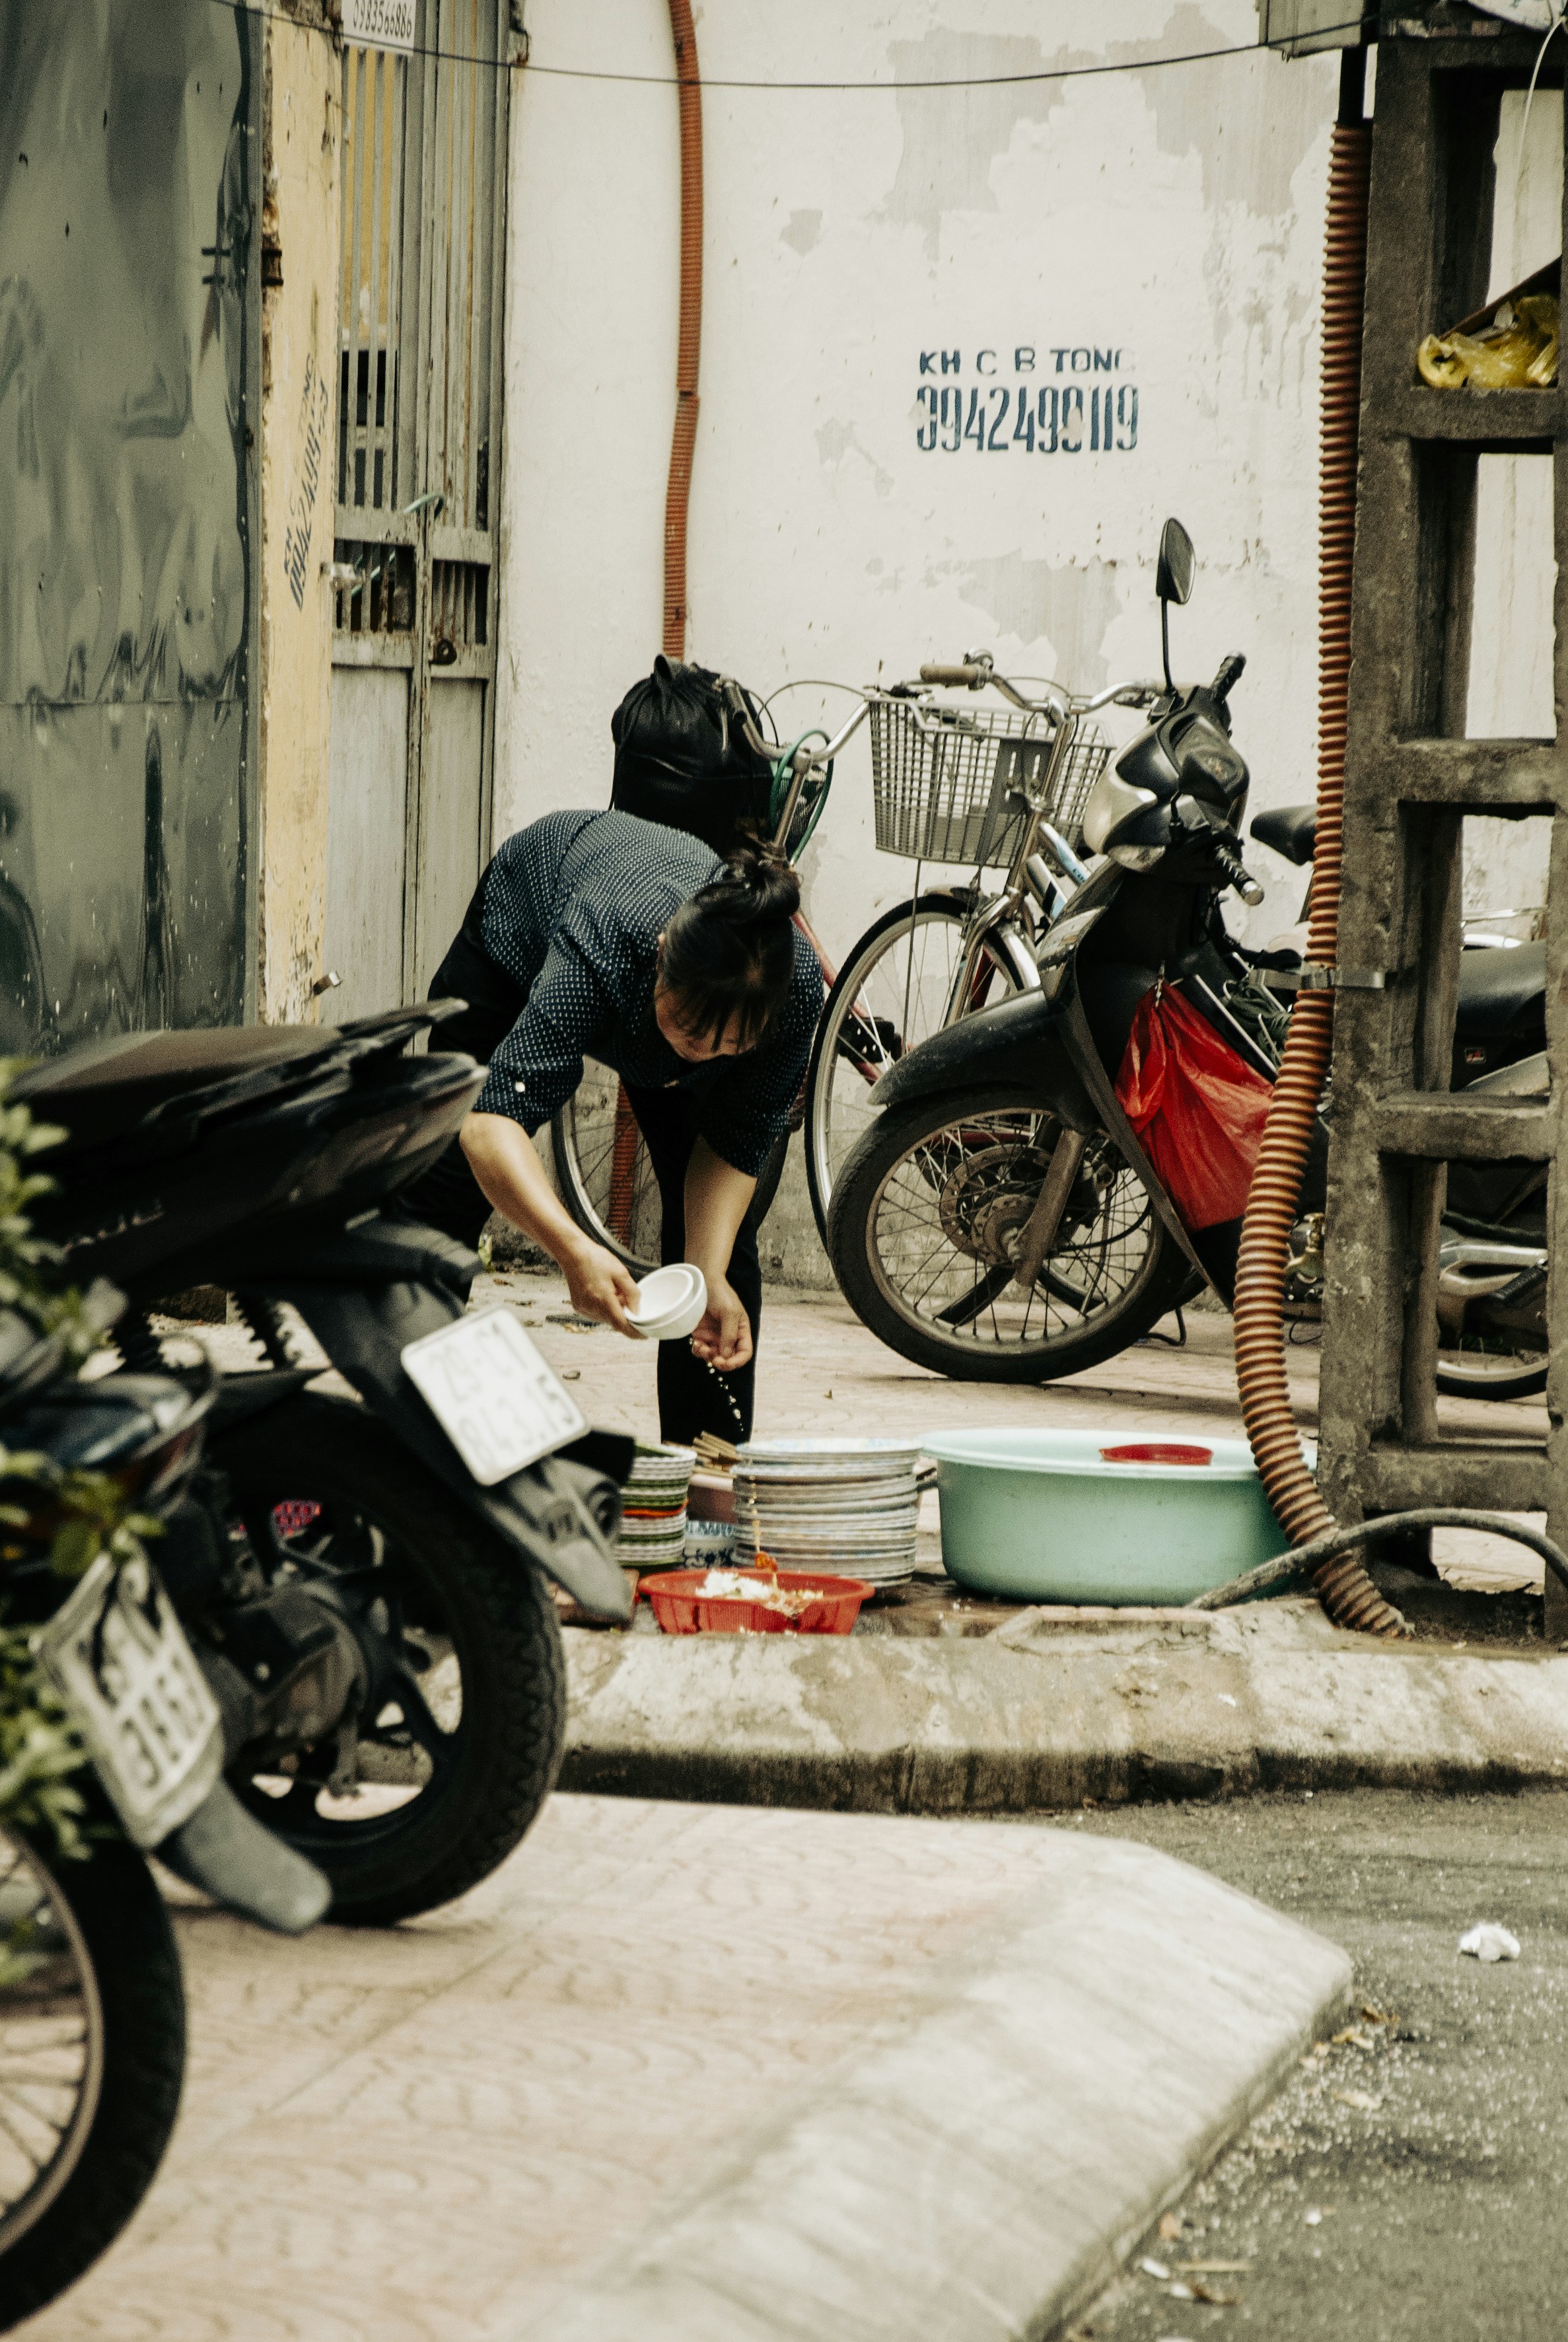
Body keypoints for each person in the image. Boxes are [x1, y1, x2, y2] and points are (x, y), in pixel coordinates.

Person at [398, 807, 822, 1444]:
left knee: (724, 1259)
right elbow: (489, 1123)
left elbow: (733, 1148)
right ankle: (398, 1442)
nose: (699, 1056)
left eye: (726, 1048)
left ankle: (704, 1496)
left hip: (659, 990)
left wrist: (705, 1277)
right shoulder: (608, 937)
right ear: (659, 961)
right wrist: (574, 1250)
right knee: (444, 1189)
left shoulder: (794, 999)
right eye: (687, 1030)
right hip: (522, 925)